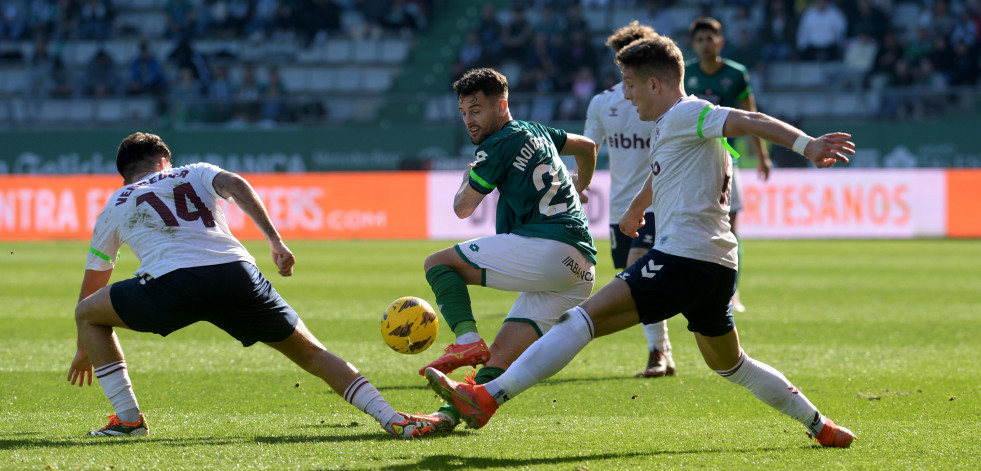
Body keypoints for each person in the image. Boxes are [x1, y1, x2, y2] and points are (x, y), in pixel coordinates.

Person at [423, 34, 858, 449]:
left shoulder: (690, 113)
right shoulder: (674, 128)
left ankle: (488, 397)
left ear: (655, 83)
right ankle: (820, 425)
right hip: (717, 264)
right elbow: (666, 169)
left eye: (630, 85)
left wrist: (807, 145)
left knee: (578, 321)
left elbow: (750, 119)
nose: (626, 96)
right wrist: (636, 207)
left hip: (682, 256)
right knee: (732, 365)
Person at [68, 132, 434, 439]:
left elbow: (94, 281)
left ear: (124, 174)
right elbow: (237, 185)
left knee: (87, 314)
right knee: (312, 353)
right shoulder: (193, 171)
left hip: (172, 284)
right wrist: (274, 240)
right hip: (236, 273)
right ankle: (392, 418)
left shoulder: (115, 203)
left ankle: (129, 420)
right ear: (163, 160)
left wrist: (87, 343)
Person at [409, 68, 598, 433]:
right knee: (500, 355)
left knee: (438, 264)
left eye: (477, 110)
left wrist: (468, 175)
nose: (469, 120)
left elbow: (463, 208)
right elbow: (588, 147)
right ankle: (455, 413)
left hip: (548, 245)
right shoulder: (538, 130)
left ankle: (465, 341)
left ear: (502, 106)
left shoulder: (496, 145)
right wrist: (579, 186)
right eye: (464, 112)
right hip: (580, 270)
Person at [583, 21, 674, 378]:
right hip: (620, 209)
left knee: (637, 279)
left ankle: (656, 354)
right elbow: (590, 147)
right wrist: (581, 182)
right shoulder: (603, 103)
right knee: (635, 281)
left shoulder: (665, 101)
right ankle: (663, 351)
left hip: (658, 205)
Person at [685, 17, 773, 312]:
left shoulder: (736, 74)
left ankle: (732, 290)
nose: (705, 44)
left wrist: (762, 156)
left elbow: (752, 117)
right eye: (700, 39)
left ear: (720, 42)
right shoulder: (686, 73)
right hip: (693, 161)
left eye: (710, 38)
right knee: (692, 227)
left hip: (725, 161)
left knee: (732, 228)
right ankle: (695, 287)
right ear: (693, 44)